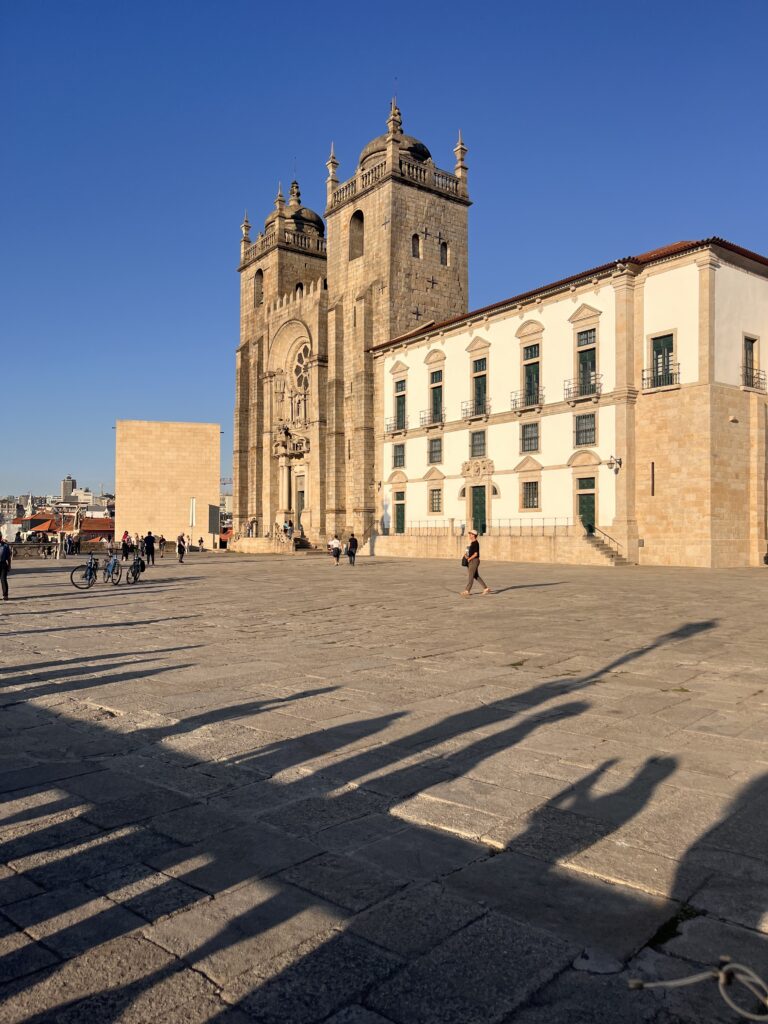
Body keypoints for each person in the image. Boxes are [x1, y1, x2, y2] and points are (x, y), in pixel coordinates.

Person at [461, 528, 491, 597]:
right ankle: (486, 588)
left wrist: (469, 559)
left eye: (470, 534)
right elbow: (472, 553)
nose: (469, 535)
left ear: (474, 535)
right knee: (476, 576)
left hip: (474, 561)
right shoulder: (472, 543)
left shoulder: (475, 543)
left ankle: (467, 590)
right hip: (472, 560)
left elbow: (476, 554)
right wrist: (466, 555)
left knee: (471, 576)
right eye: (469, 534)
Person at [0, 533, 11, 601]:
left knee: (3, 579)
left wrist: (9, 565)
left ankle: (5, 595)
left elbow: (8, 557)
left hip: (3, 564)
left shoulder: (5, 546)